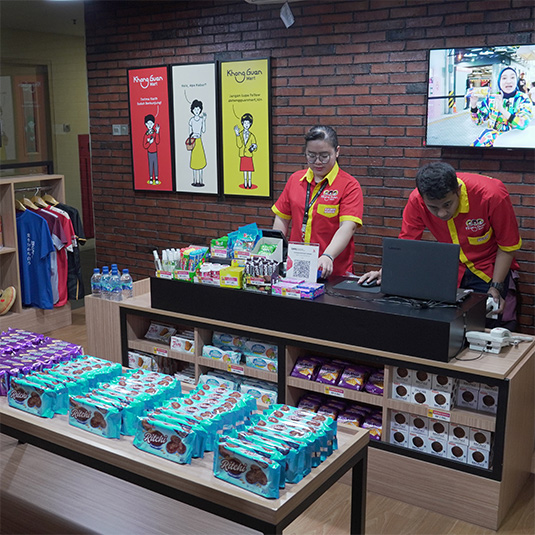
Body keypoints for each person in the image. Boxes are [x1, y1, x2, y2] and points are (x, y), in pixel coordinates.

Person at [359, 162, 522, 329]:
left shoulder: (492, 194)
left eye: (447, 204)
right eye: (433, 207)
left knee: (487, 323)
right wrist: (386, 273)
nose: (442, 213)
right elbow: (407, 244)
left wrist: (496, 287)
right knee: (451, 326)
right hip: (452, 271)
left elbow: (507, 245)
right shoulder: (416, 200)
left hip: (491, 269)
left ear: (458, 190)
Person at [272, 125, 363, 279]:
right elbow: (282, 219)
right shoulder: (295, 180)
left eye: (324, 156)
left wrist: (328, 255)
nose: (318, 162)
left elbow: (348, 227)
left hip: (332, 271)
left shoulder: (349, 185)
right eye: (311, 155)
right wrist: (275, 251)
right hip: (296, 268)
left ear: (337, 151)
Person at [470, 66, 532, 147]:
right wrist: (473, 105)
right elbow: (478, 121)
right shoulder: (492, 98)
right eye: (504, 78)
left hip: (513, 145)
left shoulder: (523, 98)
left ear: (516, 81)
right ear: (499, 82)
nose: (508, 81)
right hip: (493, 145)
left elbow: (523, 123)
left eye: (512, 77)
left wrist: (502, 109)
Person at [234, 113, 257, 189]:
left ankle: (249, 182)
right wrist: (237, 135)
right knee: (244, 170)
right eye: (245, 123)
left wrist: (254, 146)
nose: (246, 125)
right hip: (243, 155)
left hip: (249, 155)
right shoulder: (240, 134)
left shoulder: (251, 135)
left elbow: (254, 145)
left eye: (248, 123)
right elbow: (239, 145)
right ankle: (245, 182)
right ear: (242, 123)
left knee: (249, 170)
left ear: (250, 124)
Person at [188, 99, 207, 187]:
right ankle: (195, 180)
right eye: (195, 109)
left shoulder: (201, 120)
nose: (197, 111)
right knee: (194, 162)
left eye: (198, 109)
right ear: (192, 110)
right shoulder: (191, 120)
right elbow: (189, 132)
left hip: (199, 141)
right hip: (194, 141)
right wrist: (193, 135)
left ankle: (201, 181)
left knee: (201, 161)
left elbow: (203, 130)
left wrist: (204, 120)